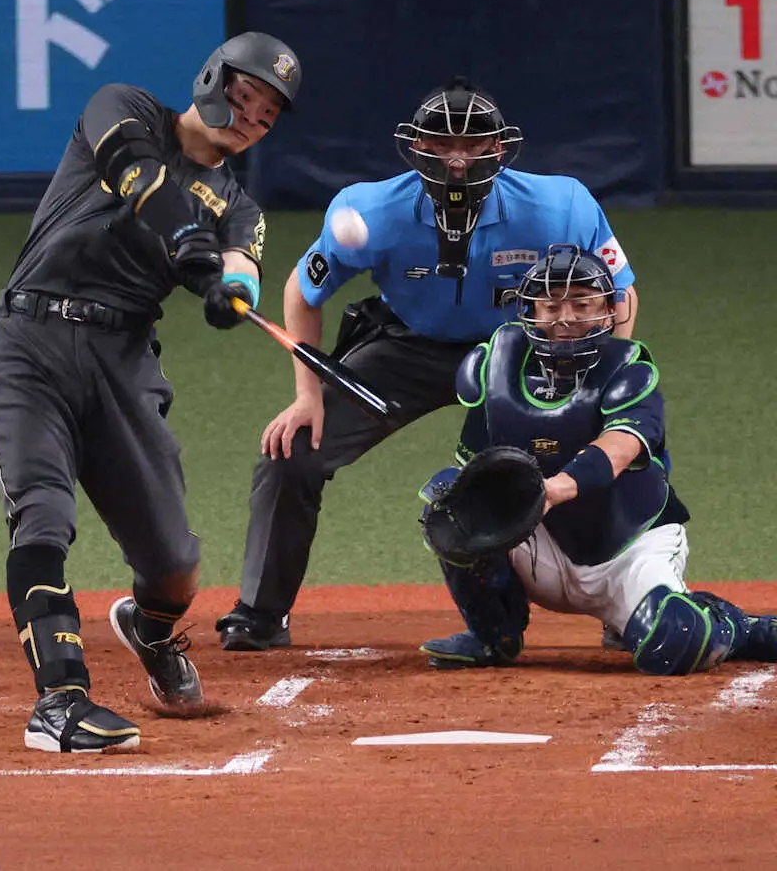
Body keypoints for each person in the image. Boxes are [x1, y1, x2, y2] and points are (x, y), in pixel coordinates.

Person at [215, 76, 641, 651]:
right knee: (293, 450)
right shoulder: (370, 211)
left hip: (522, 351)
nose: (457, 160)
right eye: (441, 144)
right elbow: (301, 291)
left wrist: (598, 382)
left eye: (473, 145)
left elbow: (619, 293)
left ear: (500, 148)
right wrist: (307, 396)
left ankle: (626, 605)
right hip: (407, 347)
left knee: (604, 446)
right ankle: (262, 613)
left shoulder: (559, 207)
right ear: (415, 146)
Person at [0, 33, 301, 750]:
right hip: (30, 344)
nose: (252, 118)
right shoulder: (123, 107)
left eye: (269, 114)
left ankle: (150, 630)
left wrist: (229, 292)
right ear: (213, 77)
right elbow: (138, 175)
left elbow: (242, 263)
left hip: (122, 364)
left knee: (174, 564)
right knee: (42, 516)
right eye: (247, 96)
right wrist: (186, 238)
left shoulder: (239, 207)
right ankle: (60, 702)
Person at [418, 246, 777, 673]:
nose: (565, 318)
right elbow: (473, 464)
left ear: (609, 311)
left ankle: (740, 627)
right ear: (529, 310)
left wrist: (556, 488)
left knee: (675, 641)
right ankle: (492, 635)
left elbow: (620, 446)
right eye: (551, 305)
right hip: (544, 548)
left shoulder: (630, 370)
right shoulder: (495, 365)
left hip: (628, 548)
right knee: (453, 510)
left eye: (582, 304)